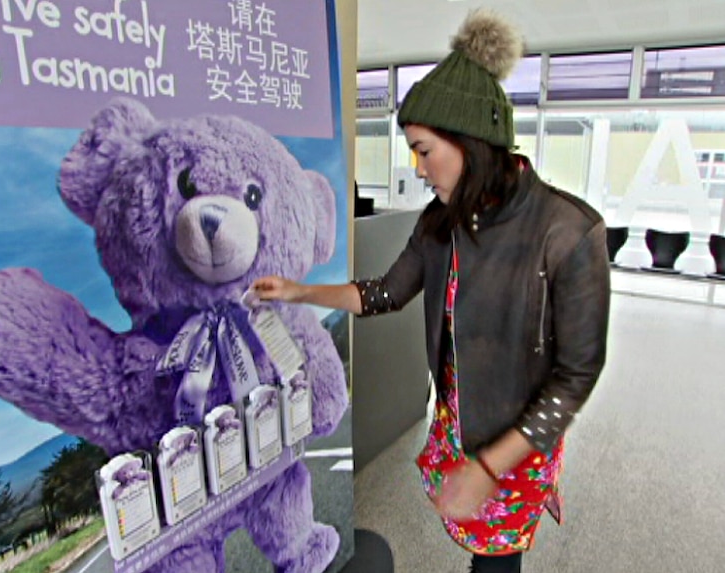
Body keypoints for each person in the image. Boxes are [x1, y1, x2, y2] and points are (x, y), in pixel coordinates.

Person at [252, 8, 610, 573]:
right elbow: (382, 294)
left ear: (471, 142)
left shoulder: (567, 231)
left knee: (496, 560)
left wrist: (490, 467)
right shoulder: (441, 220)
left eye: (423, 149)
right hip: (458, 422)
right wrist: (299, 293)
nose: (417, 168)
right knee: (477, 549)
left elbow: (576, 376)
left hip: (515, 440)